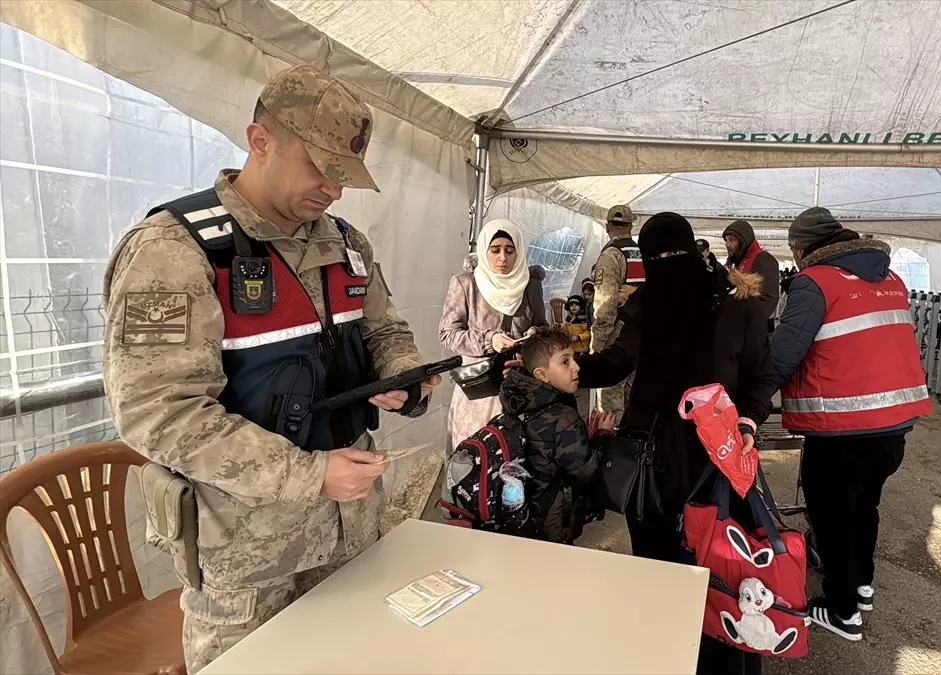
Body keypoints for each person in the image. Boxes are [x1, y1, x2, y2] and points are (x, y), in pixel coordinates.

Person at [102, 65, 442, 672]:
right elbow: (159, 414)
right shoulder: (173, 253)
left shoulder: (345, 243)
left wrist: (404, 376)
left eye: (344, 175)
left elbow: (384, 330)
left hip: (353, 530)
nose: (334, 190)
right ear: (260, 140)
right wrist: (310, 476)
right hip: (248, 559)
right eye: (320, 167)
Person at [575, 212, 775, 675]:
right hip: (655, 462)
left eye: (672, 255)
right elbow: (614, 362)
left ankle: (719, 659)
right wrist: (553, 367)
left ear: (693, 252)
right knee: (659, 568)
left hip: (718, 459)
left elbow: (761, 374)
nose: (666, 265)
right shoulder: (647, 308)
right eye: (655, 258)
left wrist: (747, 420)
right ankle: (667, 655)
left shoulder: (736, 305)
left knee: (720, 570)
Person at [770, 206, 932, 643]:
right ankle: (862, 587)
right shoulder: (891, 280)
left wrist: (749, 398)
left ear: (803, 248)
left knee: (832, 515)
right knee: (864, 509)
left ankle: (842, 611)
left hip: (841, 425)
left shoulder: (813, 282)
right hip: (892, 425)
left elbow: (784, 353)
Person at [500, 329, 616, 543]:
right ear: (541, 375)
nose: (577, 366)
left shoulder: (515, 400)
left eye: (574, 358)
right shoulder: (563, 416)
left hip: (519, 508)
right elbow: (584, 470)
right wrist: (603, 435)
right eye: (565, 362)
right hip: (553, 516)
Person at [440, 219, 548, 446]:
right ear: (483, 250)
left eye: (510, 251)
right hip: (479, 390)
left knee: (515, 455)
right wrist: (490, 339)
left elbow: (543, 326)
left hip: (521, 385)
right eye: (495, 250)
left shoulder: (530, 284)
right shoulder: (465, 284)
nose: (503, 258)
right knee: (478, 454)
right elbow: (448, 334)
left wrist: (533, 335)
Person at [591, 204, 644, 422]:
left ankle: (611, 442)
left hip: (618, 331)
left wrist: (598, 344)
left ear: (606, 227)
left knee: (610, 391)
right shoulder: (642, 254)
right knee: (632, 390)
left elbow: (605, 303)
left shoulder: (611, 255)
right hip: (641, 331)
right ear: (631, 226)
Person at [723, 220, 780, 327]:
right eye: (726, 240)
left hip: (756, 326)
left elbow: (769, 299)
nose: (727, 244)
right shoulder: (738, 260)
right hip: (740, 321)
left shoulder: (763, 259)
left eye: (732, 240)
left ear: (743, 240)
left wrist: (752, 323)